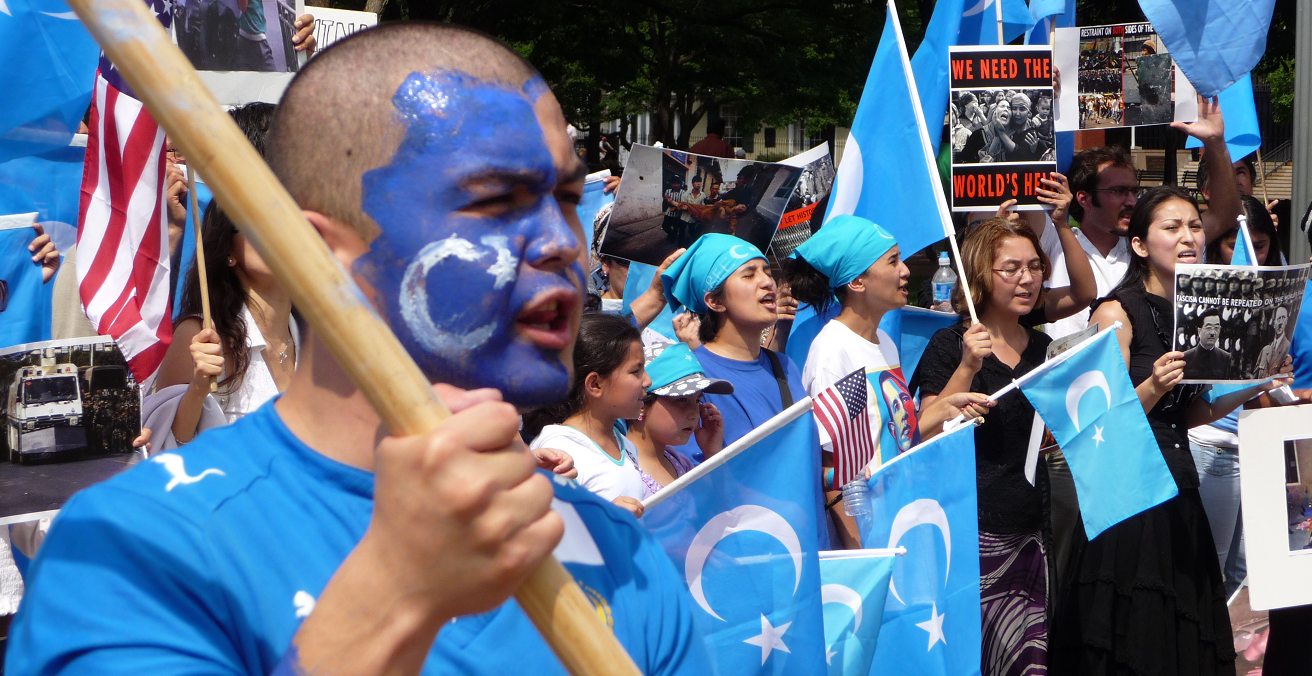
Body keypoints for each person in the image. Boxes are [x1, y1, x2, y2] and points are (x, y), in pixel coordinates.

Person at [6, 24, 712, 676]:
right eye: (496, 201)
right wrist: (396, 590)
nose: (562, 242)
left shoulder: (619, 554)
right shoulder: (138, 549)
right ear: (316, 252)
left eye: (563, 196)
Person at [1052, 186, 1293, 675]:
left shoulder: (1194, 311)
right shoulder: (1117, 313)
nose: (1189, 237)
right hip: (1131, 498)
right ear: (1140, 245)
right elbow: (1100, 423)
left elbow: (1192, 413)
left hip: (1180, 487)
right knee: (1137, 635)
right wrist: (1154, 386)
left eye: (1194, 226)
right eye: (1172, 227)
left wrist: (1256, 384)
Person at [782, 215, 994, 548]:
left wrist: (955, 393)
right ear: (856, 282)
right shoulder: (834, 352)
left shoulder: (884, 342)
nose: (906, 270)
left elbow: (901, 436)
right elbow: (836, 471)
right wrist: (861, 557)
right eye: (892, 261)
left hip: (902, 521)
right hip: (871, 538)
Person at [911, 218, 1058, 676]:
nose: (1027, 279)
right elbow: (926, 428)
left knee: (1030, 660)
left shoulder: (1046, 347)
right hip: (974, 536)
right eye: (1011, 268)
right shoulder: (950, 343)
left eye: (1034, 267)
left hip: (1035, 533)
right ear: (979, 275)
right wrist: (969, 366)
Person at [659, 233, 829, 547]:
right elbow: (692, 484)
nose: (767, 283)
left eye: (767, 271)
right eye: (749, 275)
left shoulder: (786, 367)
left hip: (812, 553)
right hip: (752, 560)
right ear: (714, 301)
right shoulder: (692, 379)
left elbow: (801, 468)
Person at [1042, 97, 1238, 342]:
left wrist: (1215, 142)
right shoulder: (1054, 241)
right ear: (1084, 199)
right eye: (1119, 191)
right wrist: (1047, 93)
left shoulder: (1150, 245)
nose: (1132, 201)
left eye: (1134, 191)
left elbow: (1224, 215)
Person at [524, 313, 650, 517]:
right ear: (595, 384)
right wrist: (604, 518)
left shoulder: (626, 446)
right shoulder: (559, 452)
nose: (648, 381)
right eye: (636, 371)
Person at [625, 342, 730, 497]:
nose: (693, 413)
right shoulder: (622, 470)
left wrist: (712, 453)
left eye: (697, 400)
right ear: (642, 402)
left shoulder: (680, 463)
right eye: (681, 400)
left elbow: (727, 509)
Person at [1182, 309, 1231, 380]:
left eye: (1216, 328)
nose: (1212, 333)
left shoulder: (1225, 357)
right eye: (1208, 328)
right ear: (1199, 331)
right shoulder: (1186, 357)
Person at [1256, 305, 1292, 377]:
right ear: (1274, 323)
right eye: (1278, 318)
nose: (1280, 322)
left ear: (1287, 321)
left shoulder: (1288, 347)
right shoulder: (1265, 350)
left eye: (1283, 318)